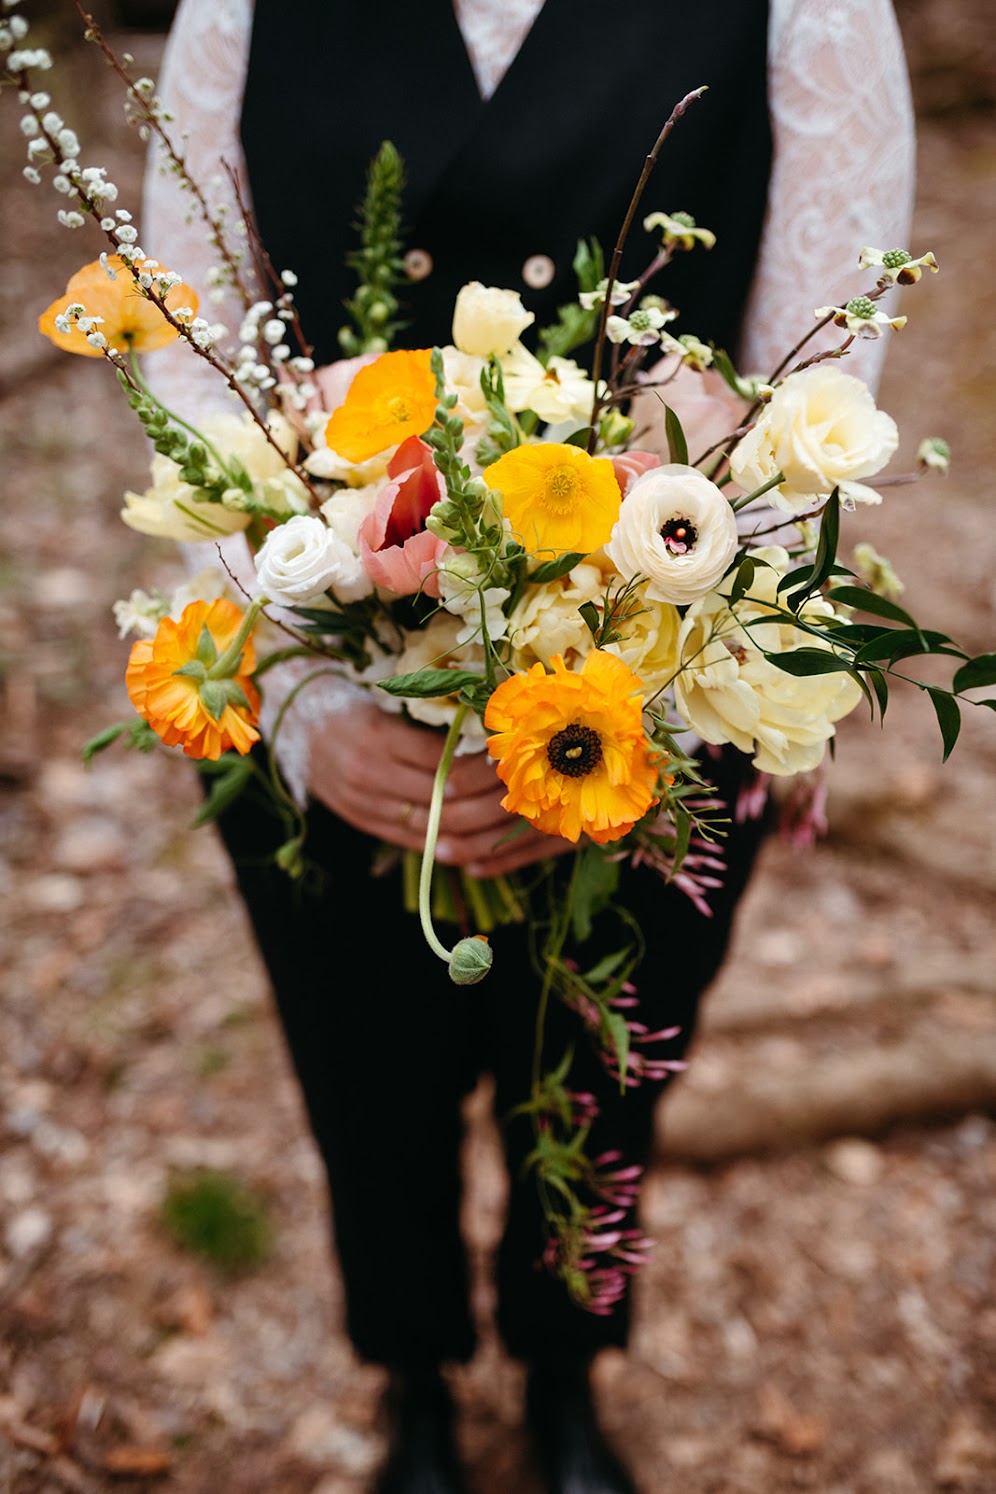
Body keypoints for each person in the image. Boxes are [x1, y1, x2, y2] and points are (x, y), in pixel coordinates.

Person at [143, 2, 916, 1489]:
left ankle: (567, 1380)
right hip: (321, 660)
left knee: (604, 1073)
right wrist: (305, 705)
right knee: (358, 1066)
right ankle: (415, 1386)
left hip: (661, 688)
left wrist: (615, 691)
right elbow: (184, 354)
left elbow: (816, 396)